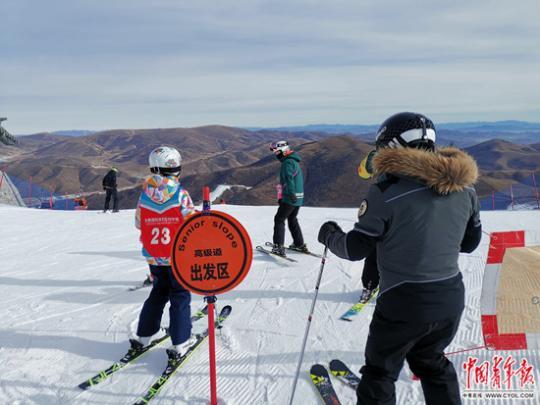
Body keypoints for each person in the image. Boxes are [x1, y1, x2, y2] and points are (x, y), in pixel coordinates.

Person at [317, 112, 482, 405]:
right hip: (449, 297)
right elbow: (470, 243)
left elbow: (355, 248)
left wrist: (329, 235)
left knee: (380, 373)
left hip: (403, 301)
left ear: (393, 147)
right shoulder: (465, 189)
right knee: (433, 364)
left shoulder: (386, 192)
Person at [131, 146, 196, 363]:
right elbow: (192, 224)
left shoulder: (144, 195)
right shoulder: (180, 195)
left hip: (154, 256)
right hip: (177, 256)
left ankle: (144, 336)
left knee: (158, 293)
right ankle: (180, 342)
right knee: (180, 295)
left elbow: (139, 223)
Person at [270, 140, 308, 257]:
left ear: (284, 151)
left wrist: (290, 194)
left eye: (277, 152)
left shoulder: (287, 163)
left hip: (291, 197)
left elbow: (288, 179)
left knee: (279, 219)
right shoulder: (294, 161)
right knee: (292, 219)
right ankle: (299, 244)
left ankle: (278, 247)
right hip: (298, 197)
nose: (276, 155)